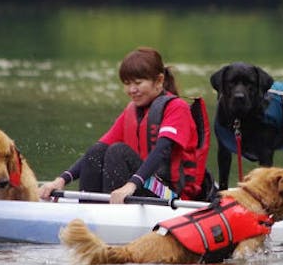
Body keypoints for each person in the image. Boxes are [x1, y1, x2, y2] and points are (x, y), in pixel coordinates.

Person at [38, 47, 206, 203]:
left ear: (159, 80)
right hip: (139, 185)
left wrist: (131, 185)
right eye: (127, 83)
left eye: (138, 83)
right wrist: (61, 180)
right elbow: (97, 150)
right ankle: (89, 208)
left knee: (118, 151)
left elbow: (162, 151)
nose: (132, 90)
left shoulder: (177, 108)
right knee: (97, 150)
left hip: (171, 194)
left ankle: (112, 213)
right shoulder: (132, 111)